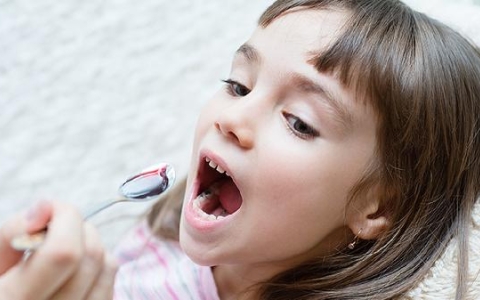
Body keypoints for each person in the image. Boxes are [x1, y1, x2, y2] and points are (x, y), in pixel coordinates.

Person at [1, 0, 479, 299]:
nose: (232, 120)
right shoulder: (160, 240)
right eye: (238, 85)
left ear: (379, 205)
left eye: (299, 122)